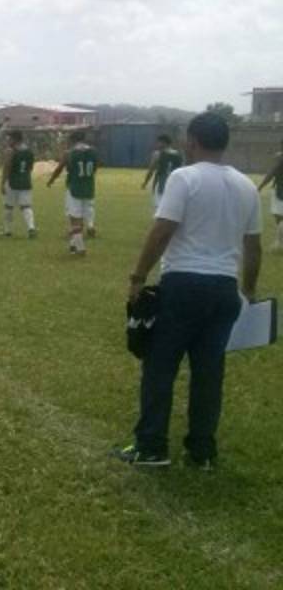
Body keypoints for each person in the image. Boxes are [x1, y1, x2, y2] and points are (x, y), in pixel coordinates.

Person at [117, 112, 261, 469]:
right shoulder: (246, 185)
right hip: (225, 288)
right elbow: (254, 246)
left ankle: (151, 446)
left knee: (160, 367)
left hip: (184, 284)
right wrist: (249, 291)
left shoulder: (184, 177)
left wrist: (138, 276)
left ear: (192, 141)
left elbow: (162, 230)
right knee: (209, 374)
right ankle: (201, 451)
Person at [47, 130, 98, 255]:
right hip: (89, 188)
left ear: (72, 140)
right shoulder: (93, 152)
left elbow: (59, 168)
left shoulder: (70, 153)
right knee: (80, 219)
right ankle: (73, 245)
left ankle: (81, 248)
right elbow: (96, 167)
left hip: (74, 187)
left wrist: (51, 180)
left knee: (74, 219)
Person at [0, 130, 37, 238]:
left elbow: (7, 167)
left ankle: (7, 231)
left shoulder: (11, 151)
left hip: (12, 181)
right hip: (26, 181)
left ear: (15, 139)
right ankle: (31, 228)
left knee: (8, 206)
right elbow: (31, 167)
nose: (8, 141)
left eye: (9, 139)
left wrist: (2, 183)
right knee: (26, 206)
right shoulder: (29, 151)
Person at [141, 134, 184, 212]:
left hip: (161, 183)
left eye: (158, 142)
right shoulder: (178, 154)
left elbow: (151, 170)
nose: (157, 144)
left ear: (163, 142)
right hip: (175, 184)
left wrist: (145, 182)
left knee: (159, 209)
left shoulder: (157, 154)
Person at [256, 138, 283, 250]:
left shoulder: (280, 158)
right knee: (278, 216)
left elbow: (272, 173)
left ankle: (280, 241)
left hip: (281, 191)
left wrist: (260, 187)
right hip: (279, 190)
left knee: (279, 217)